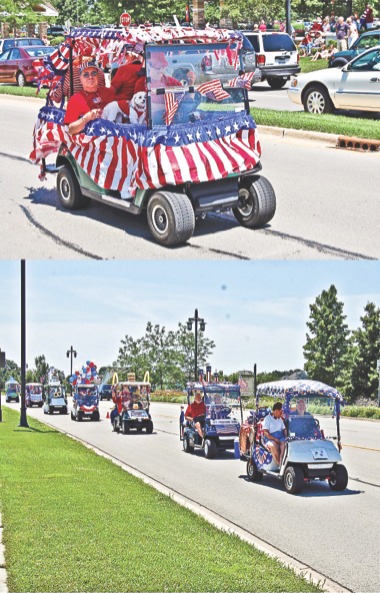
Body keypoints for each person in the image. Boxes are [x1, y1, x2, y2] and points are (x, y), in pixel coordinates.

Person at [63, 60, 115, 135]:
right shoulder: (75, 100)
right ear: (80, 79)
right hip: (90, 142)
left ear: (98, 76)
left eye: (93, 73)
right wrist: (86, 118)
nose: (90, 77)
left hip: (111, 138)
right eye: (86, 75)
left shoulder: (108, 93)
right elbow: (70, 130)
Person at [262, 402, 287, 467]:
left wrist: (287, 436)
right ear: (276, 411)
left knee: (284, 445)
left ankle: (282, 464)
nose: (281, 413)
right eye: (280, 412)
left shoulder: (280, 419)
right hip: (271, 437)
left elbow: (284, 429)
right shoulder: (267, 419)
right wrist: (275, 439)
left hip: (281, 436)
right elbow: (266, 433)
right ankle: (278, 464)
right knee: (273, 446)